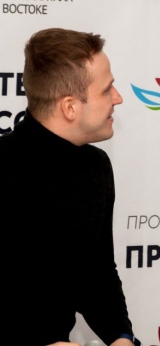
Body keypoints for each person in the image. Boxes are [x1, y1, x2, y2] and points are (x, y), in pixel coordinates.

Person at [1, 28, 141, 346]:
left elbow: (96, 272)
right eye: (106, 90)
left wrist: (121, 336)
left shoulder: (96, 168)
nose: (118, 98)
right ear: (70, 107)